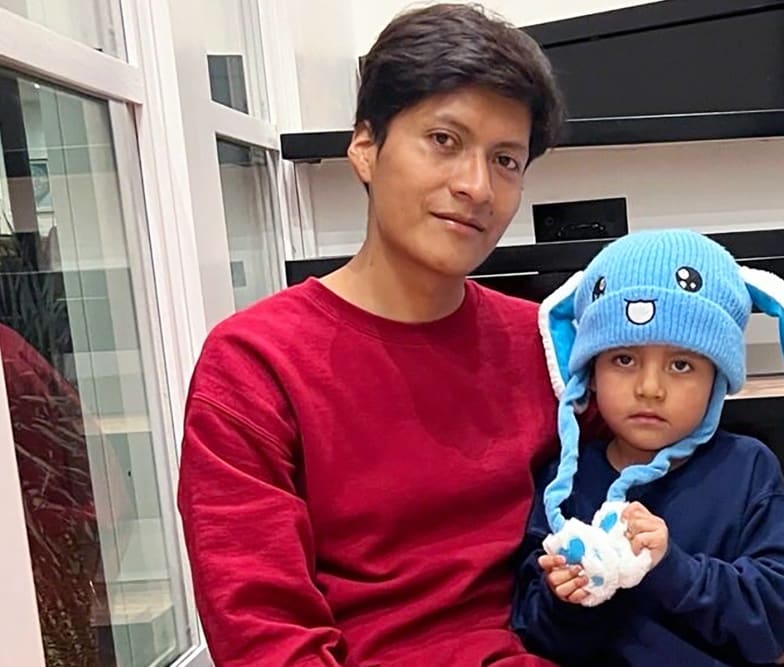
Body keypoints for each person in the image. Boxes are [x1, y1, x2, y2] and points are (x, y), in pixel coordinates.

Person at [176, 4, 569, 666]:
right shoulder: (254, 364)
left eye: (506, 159)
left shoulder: (546, 343)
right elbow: (263, 634)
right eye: (444, 140)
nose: (476, 186)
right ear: (365, 147)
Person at [511, 230, 784, 666]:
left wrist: (672, 569)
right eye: (624, 359)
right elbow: (532, 629)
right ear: (589, 373)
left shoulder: (747, 471)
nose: (650, 388)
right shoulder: (564, 486)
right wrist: (567, 599)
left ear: (717, 378)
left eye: (681, 365)